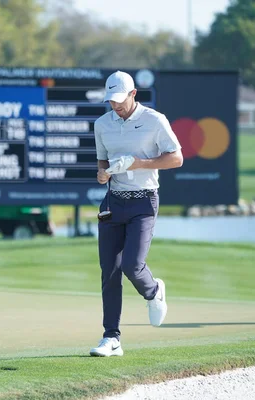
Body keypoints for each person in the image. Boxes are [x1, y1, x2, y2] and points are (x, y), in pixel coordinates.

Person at [90, 70, 183, 357]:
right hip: (113, 203)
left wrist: (138, 164)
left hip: (144, 203)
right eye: (111, 101)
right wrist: (103, 175)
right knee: (109, 271)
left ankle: (154, 291)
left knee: (132, 264)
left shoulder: (155, 121)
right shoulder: (102, 124)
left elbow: (176, 158)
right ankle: (111, 338)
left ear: (133, 95)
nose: (114, 105)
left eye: (119, 100)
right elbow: (102, 163)